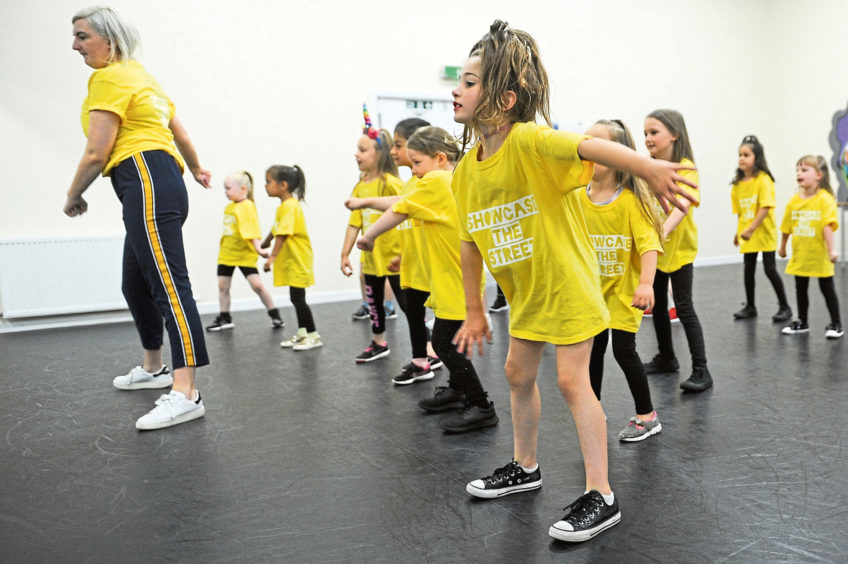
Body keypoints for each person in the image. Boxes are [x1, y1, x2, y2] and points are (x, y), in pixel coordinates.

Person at [450, 21, 697, 543]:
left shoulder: (529, 140)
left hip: (569, 286)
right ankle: (526, 466)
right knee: (517, 373)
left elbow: (588, 147)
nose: (456, 89)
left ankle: (601, 494)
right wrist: (474, 309)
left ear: (504, 97)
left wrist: (646, 167)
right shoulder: (465, 172)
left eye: (470, 82)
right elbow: (470, 243)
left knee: (570, 381)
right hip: (528, 295)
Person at [65, 6, 210, 430]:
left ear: (109, 41)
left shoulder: (108, 77)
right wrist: (197, 167)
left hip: (144, 177)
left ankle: (186, 392)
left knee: (168, 283)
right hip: (156, 180)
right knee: (135, 281)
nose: (74, 45)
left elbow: (97, 151)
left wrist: (72, 195)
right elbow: (177, 129)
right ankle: (154, 368)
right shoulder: (141, 75)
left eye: (81, 36)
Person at [352, 126, 498, 432]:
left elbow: (399, 209)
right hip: (455, 277)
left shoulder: (436, 179)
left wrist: (369, 236)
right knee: (452, 339)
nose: (414, 170)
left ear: (440, 158)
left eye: (417, 162)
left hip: (454, 279)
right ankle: (458, 390)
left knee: (444, 343)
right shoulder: (455, 179)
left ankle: (481, 405)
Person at [581, 120, 663, 442]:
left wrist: (646, 284)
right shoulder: (579, 197)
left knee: (623, 350)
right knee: (593, 351)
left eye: (599, 145)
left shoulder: (629, 200)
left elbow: (649, 245)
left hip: (624, 292)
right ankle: (594, 411)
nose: (590, 151)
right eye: (586, 143)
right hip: (593, 292)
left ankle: (647, 415)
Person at [345, 117, 443, 384]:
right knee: (384, 305)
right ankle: (400, 351)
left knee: (417, 311)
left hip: (406, 259)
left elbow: (401, 208)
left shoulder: (409, 182)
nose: (394, 152)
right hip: (384, 258)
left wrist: (395, 247)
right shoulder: (398, 183)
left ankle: (435, 354)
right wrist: (348, 250)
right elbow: (359, 219)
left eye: (398, 145)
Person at [641, 109, 713, 393]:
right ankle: (667, 357)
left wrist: (662, 232)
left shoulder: (685, 167)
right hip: (656, 253)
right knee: (657, 305)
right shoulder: (649, 167)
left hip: (679, 251)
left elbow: (682, 206)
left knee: (684, 306)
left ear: (674, 134)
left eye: (654, 132)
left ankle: (701, 369)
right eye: (645, 133)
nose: (647, 138)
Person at [340, 107, 403, 362]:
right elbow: (354, 223)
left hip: (395, 257)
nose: (357, 154)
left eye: (363, 150)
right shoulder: (359, 185)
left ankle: (427, 348)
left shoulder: (392, 184)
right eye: (357, 149)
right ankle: (378, 342)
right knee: (373, 303)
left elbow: (405, 212)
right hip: (371, 259)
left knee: (408, 306)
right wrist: (344, 253)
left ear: (380, 154)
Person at [207, 171, 283, 332]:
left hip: (244, 254)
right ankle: (225, 317)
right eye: (224, 189)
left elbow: (252, 230)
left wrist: (259, 249)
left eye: (228, 188)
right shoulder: (229, 207)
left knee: (257, 285)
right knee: (223, 286)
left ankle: (274, 313)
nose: (226, 192)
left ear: (243, 189)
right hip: (226, 253)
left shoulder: (248, 206)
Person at [778, 155, 842, 338]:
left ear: (819, 175)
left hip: (820, 255)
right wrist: (782, 247)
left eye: (804, 170)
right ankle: (803, 321)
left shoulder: (825, 199)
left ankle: (836, 324)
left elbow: (827, 226)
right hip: (801, 254)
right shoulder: (794, 201)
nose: (799, 173)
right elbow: (786, 227)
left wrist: (831, 250)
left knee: (827, 288)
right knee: (800, 288)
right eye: (797, 170)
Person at [730, 136, 792, 321]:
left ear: (756, 158)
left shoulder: (764, 180)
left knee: (769, 269)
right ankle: (750, 306)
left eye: (746, 155)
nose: (741, 158)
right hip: (747, 234)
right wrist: (738, 232)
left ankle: (785, 306)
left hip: (763, 233)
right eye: (740, 155)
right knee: (748, 269)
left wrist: (751, 229)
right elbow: (741, 212)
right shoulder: (738, 185)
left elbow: (765, 207)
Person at [262, 165, 322, 350]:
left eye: (268, 182)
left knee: (298, 298)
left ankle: (313, 335)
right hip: (291, 259)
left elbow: (283, 234)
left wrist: (271, 257)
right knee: (295, 297)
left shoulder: (290, 206)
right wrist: (265, 242)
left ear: (283, 185)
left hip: (298, 259)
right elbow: (276, 228)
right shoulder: (284, 206)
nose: (265, 186)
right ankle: (303, 332)